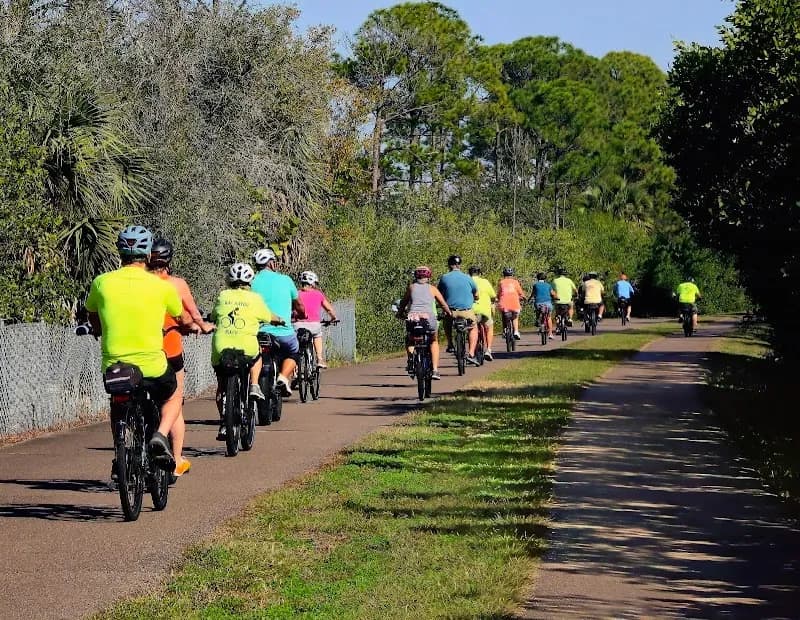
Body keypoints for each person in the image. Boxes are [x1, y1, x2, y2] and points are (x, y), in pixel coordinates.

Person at [85, 225, 193, 473]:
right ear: (147, 254)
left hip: (115, 367)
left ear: (120, 252)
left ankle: (119, 455)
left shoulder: (101, 283)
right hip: (152, 366)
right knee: (173, 394)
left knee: (117, 406)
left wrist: (98, 329)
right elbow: (182, 318)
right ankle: (160, 434)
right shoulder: (162, 286)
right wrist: (189, 326)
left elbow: (92, 316)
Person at [147, 238, 214, 477]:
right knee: (174, 402)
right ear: (169, 260)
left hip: (139, 352)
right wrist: (201, 326)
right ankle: (175, 460)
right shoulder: (175, 284)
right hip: (169, 350)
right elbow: (191, 314)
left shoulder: (140, 283)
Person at [210, 263, 284, 440]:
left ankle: (223, 423)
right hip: (247, 345)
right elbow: (268, 316)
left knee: (221, 386)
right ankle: (254, 385)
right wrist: (279, 320)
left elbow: (213, 315)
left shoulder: (223, 295)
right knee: (257, 356)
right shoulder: (254, 298)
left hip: (221, 346)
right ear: (250, 281)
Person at [251, 248, 306, 396]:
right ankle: (283, 376)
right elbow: (299, 304)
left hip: (258, 333)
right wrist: (302, 314)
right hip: (283, 333)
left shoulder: (251, 282)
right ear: (271, 263)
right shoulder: (285, 280)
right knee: (294, 351)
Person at [396, 266, 451, 380]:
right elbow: (443, 304)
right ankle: (435, 370)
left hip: (413, 318)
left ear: (416, 276)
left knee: (410, 339)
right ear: (428, 277)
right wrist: (448, 313)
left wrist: (400, 313)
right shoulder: (433, 289)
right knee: (433, 340)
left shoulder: (411, 287)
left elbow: (404, 302)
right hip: (428, 318)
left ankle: (411, 360)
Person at [437, 255, 480, 366]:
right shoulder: (468, 278)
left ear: (449, 265)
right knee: (473, 328)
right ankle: (471, 354)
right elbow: (476, 293)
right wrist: (475, 298)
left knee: (446, 323)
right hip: (466, 311)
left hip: (451, 311)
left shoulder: (444, 278)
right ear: (459, 265)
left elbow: (439, 294)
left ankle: (450, 344)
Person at [293, 270, 338, 369]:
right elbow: (329, 309)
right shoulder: (318, 294)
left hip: (297, 325)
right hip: (314, 325)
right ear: (312, 282)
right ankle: (320, 359)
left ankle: (295, 368)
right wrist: (333, 318)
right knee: (317, 335)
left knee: (295, 341)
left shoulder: (296, 294)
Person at [469, 266, 497, 361]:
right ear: (479, 273)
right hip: (484, 311)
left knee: (471, 328)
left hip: (471, 311)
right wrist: (492, 301)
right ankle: (488, 350)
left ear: (469, 273)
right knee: (489, 326)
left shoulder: (467, 281)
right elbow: (493, 295)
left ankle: (470, 350)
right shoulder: (485, 282)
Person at [497, 267, 526, 340]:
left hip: (504, 304)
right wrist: (524, 297)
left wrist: (497, 298)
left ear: (504, 274)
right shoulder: (515, 282)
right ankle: (516, 331)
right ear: (512, 274)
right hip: (515, 304)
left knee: (504, 315)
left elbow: (499, 294)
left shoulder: (501, 282)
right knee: (515, 317)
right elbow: (521, 293)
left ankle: (505, 330)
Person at [529, 272, 559, 339]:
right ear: (545, 278)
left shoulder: (535, 285)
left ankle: (537, 319)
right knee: (548, 317)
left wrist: (529, 299)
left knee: (537, 310)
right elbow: (553, 294)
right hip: (548, 303)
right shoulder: (548, 285)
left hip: (538, 303)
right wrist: (556, 297)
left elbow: (533, 294)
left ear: (537, 278)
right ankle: (550, 334)